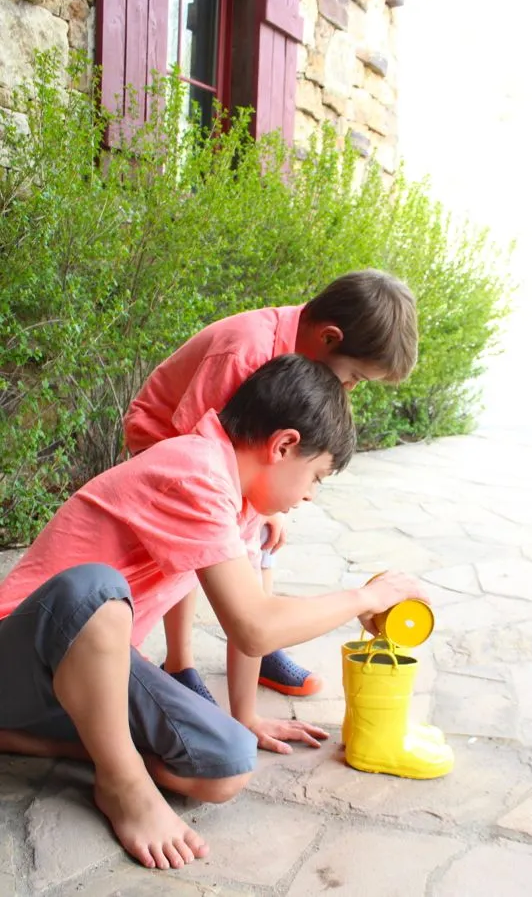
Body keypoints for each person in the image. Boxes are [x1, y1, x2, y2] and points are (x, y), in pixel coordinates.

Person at [0, 355, 428, 871]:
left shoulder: (238, 501)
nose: (311, 494)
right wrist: (363, 599)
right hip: (19, 653)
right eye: (316, 476)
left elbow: (252, 616)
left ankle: (54, 741)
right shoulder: (193, 471)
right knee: (96, 590)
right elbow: (254, 626)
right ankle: (122, 783)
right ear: (284, 445)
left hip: (86, 676)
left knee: (224, 766)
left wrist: (244, 718)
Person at [123, 269, 419, 699]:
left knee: (259, 534)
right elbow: (196, 452)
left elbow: (257, 458)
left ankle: (261, 640)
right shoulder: (244, 354)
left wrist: (266, 512)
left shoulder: (307, 351)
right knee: (200, 547)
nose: (350, 388)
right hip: (169, 435)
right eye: (355, 376)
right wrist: (250, 517)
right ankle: (181, 661)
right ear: (330, 338)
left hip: (234, 452)